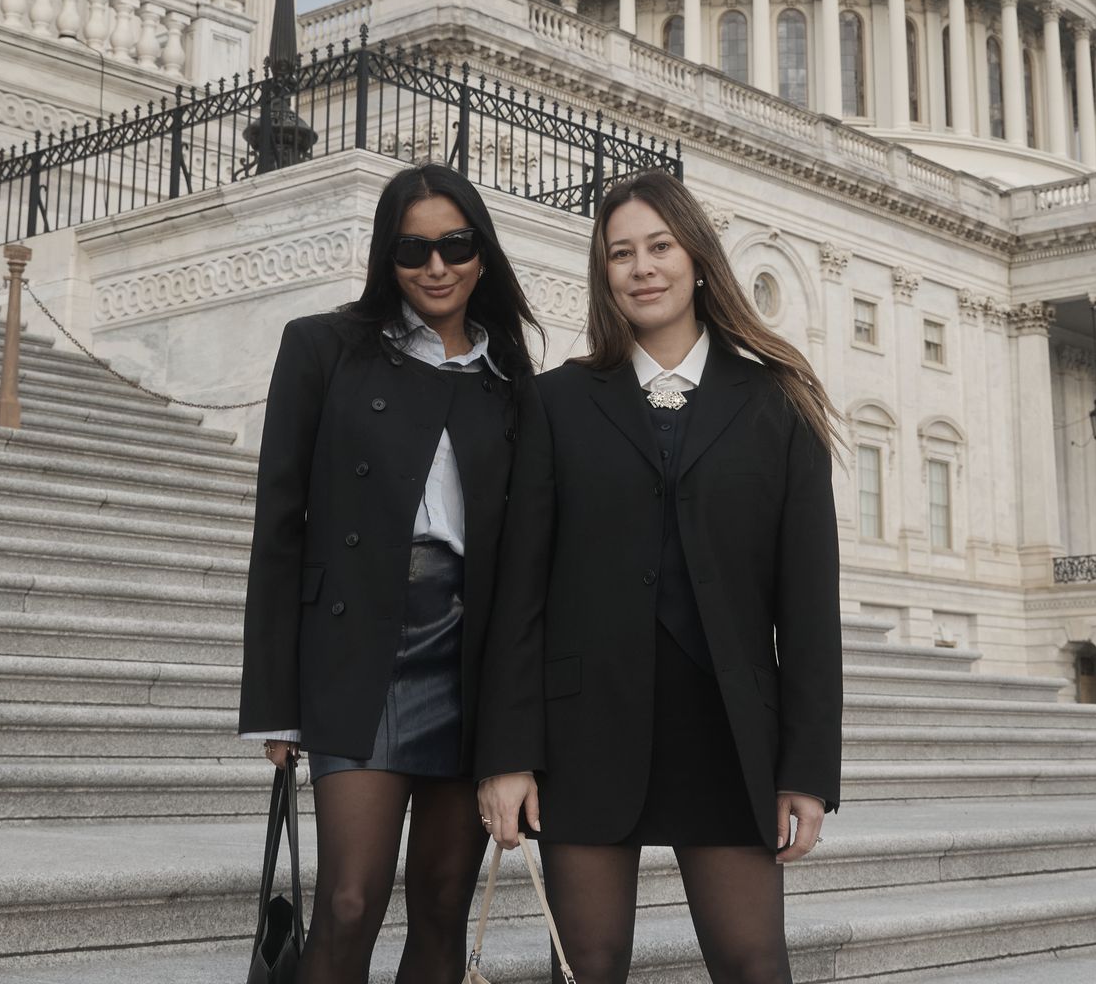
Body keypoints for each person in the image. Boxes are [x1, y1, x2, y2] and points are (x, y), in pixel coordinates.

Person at [476, 169, 843, 984]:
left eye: (659, 247)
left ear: (698, 258)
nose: (641, 267)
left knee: (755, 966)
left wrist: (807, 773)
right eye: (620, 254)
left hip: (726, 736)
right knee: (589, 968)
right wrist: (506, 755)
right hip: (584, 736)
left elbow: (810, 608)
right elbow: (518, 595)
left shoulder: (779, 406)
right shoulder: (554, 403)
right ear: (603, 276)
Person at [238, 163, 541, 983]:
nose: (435, 266)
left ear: (482, 252)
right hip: (359, 647)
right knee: (348, 900)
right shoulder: (322, 347)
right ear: (386, 254)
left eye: (454, 244)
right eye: (413, 248)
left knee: (442, 902)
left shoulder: (513, 382)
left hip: (467, 656)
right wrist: (275, 704)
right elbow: (280, 527)